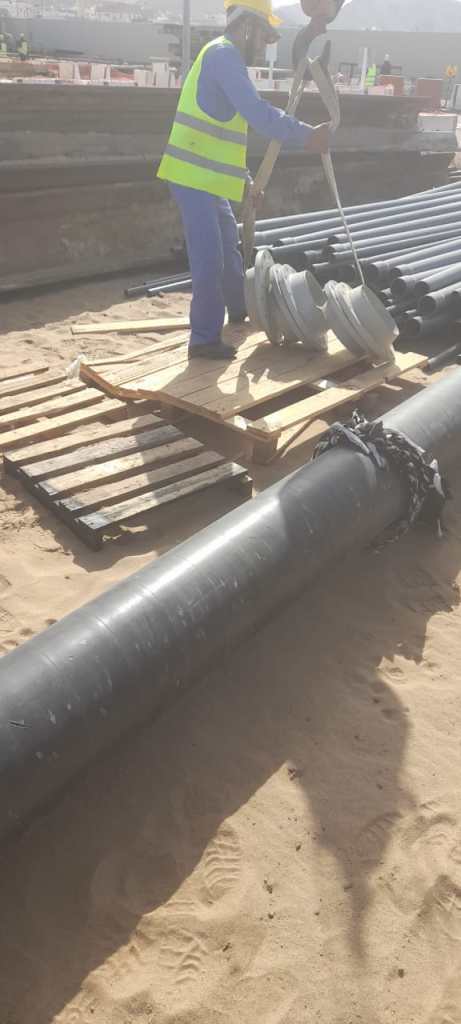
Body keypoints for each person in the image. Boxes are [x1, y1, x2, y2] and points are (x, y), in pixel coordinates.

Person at [157, 0, 331, 361]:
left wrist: (247, 182)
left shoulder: (228, 59)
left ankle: (239, 311)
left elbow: (226, 138)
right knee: (210, 258)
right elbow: (257, 113)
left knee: (229, 247)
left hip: (209, 178)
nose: (266, 45)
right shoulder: (222, 56)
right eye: (265, 35)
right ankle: (203, 339)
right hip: (192, 177)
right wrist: (306, 135)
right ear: (247, 26)